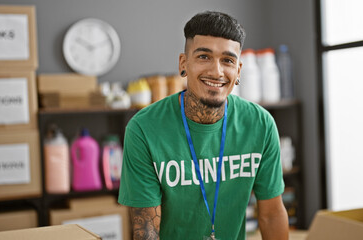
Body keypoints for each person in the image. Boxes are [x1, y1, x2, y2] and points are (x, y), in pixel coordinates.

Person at [118, 11, 289, 240]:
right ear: (183, 64)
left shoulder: (261, 124)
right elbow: (147, 230)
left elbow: (271, 214)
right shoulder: (143, 129)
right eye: (204, 57)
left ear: (238, 71)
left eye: (227, 60)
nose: (216, 71)